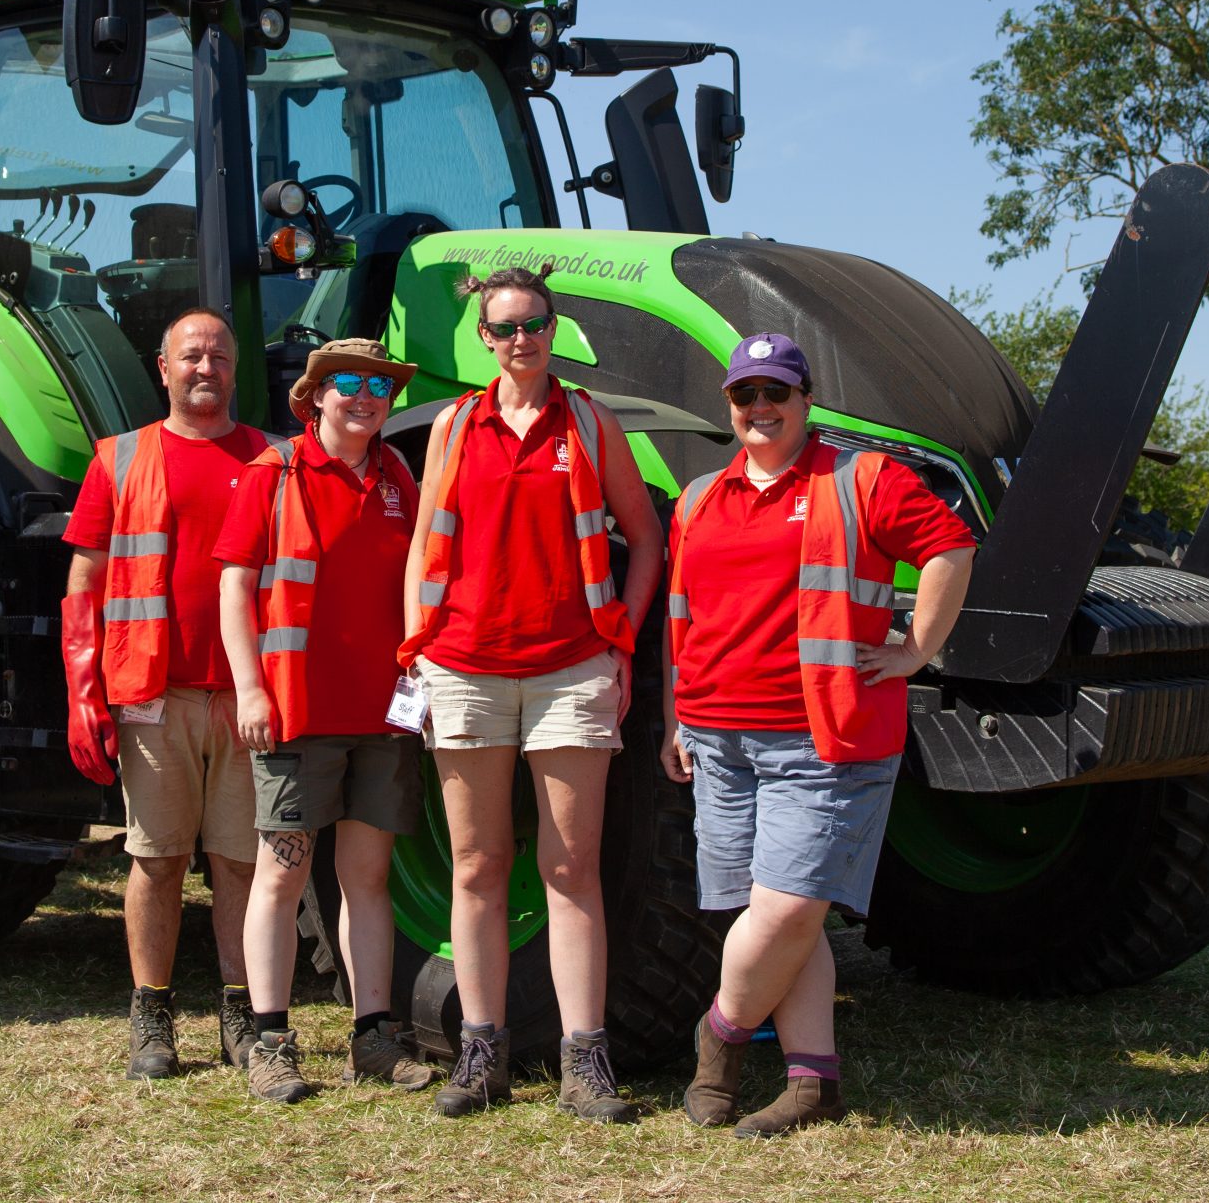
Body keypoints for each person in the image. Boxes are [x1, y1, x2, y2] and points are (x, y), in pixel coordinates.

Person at [663, 332, 977, 1139]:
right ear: (728, 406)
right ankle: (814, 1080)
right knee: (771, 913)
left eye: (777, 392)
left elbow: (949, 545)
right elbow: (683, 619)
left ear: (808, 400)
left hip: (825, 736)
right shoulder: (699, 498)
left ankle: (720, 1038)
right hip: (718, 735)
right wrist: (676, 714)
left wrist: (916, 650)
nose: (760, 407)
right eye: (745, 395)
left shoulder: (861, 478)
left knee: (789, 906)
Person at [400, 265, 663, 1122]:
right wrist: (417, 652)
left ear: (554, 330)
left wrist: (620, 637)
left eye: (535, 324)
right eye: (506, 327)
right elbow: (423, 550)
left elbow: (646, 535)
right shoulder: (451, 425)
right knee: (477, 864)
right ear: (483, 339)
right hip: (466, 665)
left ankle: (585, 1061)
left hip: (570, 669)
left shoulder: (587, 420)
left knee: (569, 865)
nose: (522, 339)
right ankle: (482, 1055)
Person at [215, 338, 436, 1103]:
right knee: (283, 873)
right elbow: (235, 589)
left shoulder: (399, 476)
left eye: (379, 383)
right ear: (314, 396)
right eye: (348, 382)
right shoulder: (271, 475)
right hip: (295, 713)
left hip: (380, 714)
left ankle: (373, 1034)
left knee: (367, 879)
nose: (365, 395)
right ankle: (270, 1039)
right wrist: (250, 689)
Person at [60, 308, 268, 1078]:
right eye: (191, 355)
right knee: (158, 859)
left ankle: (242, 1014)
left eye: (218, 354)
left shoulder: (272, 459)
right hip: (155, 693)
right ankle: (152, 1015)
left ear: (234, 368)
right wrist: (84, 689)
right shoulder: (118, 459)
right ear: (164, 368)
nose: (204, 366)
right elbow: (84, 580)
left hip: (246, 699)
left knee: (241, 862)